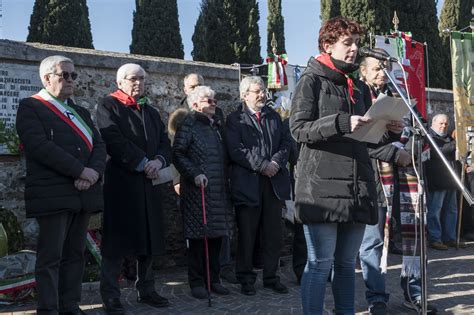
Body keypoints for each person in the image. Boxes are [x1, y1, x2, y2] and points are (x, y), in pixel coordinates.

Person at [289, 17, 404, 314]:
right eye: (347, 43)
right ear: (328, 45)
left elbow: (368, 140)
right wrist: (341, 122)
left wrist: (390, 132)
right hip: (321, 188)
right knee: (319, 265)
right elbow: (299, 129)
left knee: (344, 266)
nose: (354, 49)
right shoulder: (310, 80)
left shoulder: (360, 87)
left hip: (357, 188)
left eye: (356, 42)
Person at [16, 55, 106, 315]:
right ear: (47, 78)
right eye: (64, 75)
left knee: (75, 255)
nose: (70, 80)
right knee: (50, 258)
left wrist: (93, 173)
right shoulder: (31, 107)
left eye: (73, 75)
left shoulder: (81, 112)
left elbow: (99, 146)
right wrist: (80, 170)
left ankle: (70, 305)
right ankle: (49, 309)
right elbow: (40, 146)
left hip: (83, 192)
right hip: (52, 194)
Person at [358, 51, 437, 314]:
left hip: (406, 178)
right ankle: (376, 298)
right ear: (363, 73)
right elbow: (360, 141)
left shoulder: (399, 97)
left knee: (412, 239)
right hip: (373, 180)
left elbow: (422, 132)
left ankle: (414, 293)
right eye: (377, 69)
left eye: (385, 69)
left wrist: (406, 136)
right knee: (372, 242)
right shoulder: (357, 97)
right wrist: (392, 147)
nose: (382, 74)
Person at [97, 63, 172, 314]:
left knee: (148, 239)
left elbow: (163, 140)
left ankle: (147, 289)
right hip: (122, 183)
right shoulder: (108, 105)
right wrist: (142, 163)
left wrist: (159, 161)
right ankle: (110, 294)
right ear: (120, 82)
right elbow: (113, 140)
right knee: (116, 242)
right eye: (132, 78)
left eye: (141, 78)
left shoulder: (149, 110)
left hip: (149, 183)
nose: (137, 82)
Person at [226, 75, 291, 296]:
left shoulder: (274, 117)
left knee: (273, 234)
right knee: (247, 234)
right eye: (257, 91)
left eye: (263, 90)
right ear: (244, 95)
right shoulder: (236, 120)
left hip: (273, 184)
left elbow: (285, 143)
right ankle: (245, 277)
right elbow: (236, 150)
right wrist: (262, 165)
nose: (262, 94)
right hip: (248, 184)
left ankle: (271, 277)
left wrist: (275, 163)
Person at [171, 85, 233, 299]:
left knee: (216, 238)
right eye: (209, 101)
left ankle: (213, 280)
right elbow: (177, 153)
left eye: (214, 100)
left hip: (218, 190)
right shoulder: (189, 123)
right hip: (198, 191)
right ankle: (197, 282)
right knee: (198, 239)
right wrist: (194, 173)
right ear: (195, 104)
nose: (214, 104)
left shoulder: (215, 126)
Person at [426, 114, 465, 250]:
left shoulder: (448, 137)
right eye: (441, 124)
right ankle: (435, 238)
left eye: (446, 124)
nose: (444, 126)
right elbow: (439, 151)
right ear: (434, 123)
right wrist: (457, 143)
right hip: (437, 180)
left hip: (451, 179)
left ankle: (450, 237)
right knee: (435, 210)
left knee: (451, 210)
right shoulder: (429, 136)